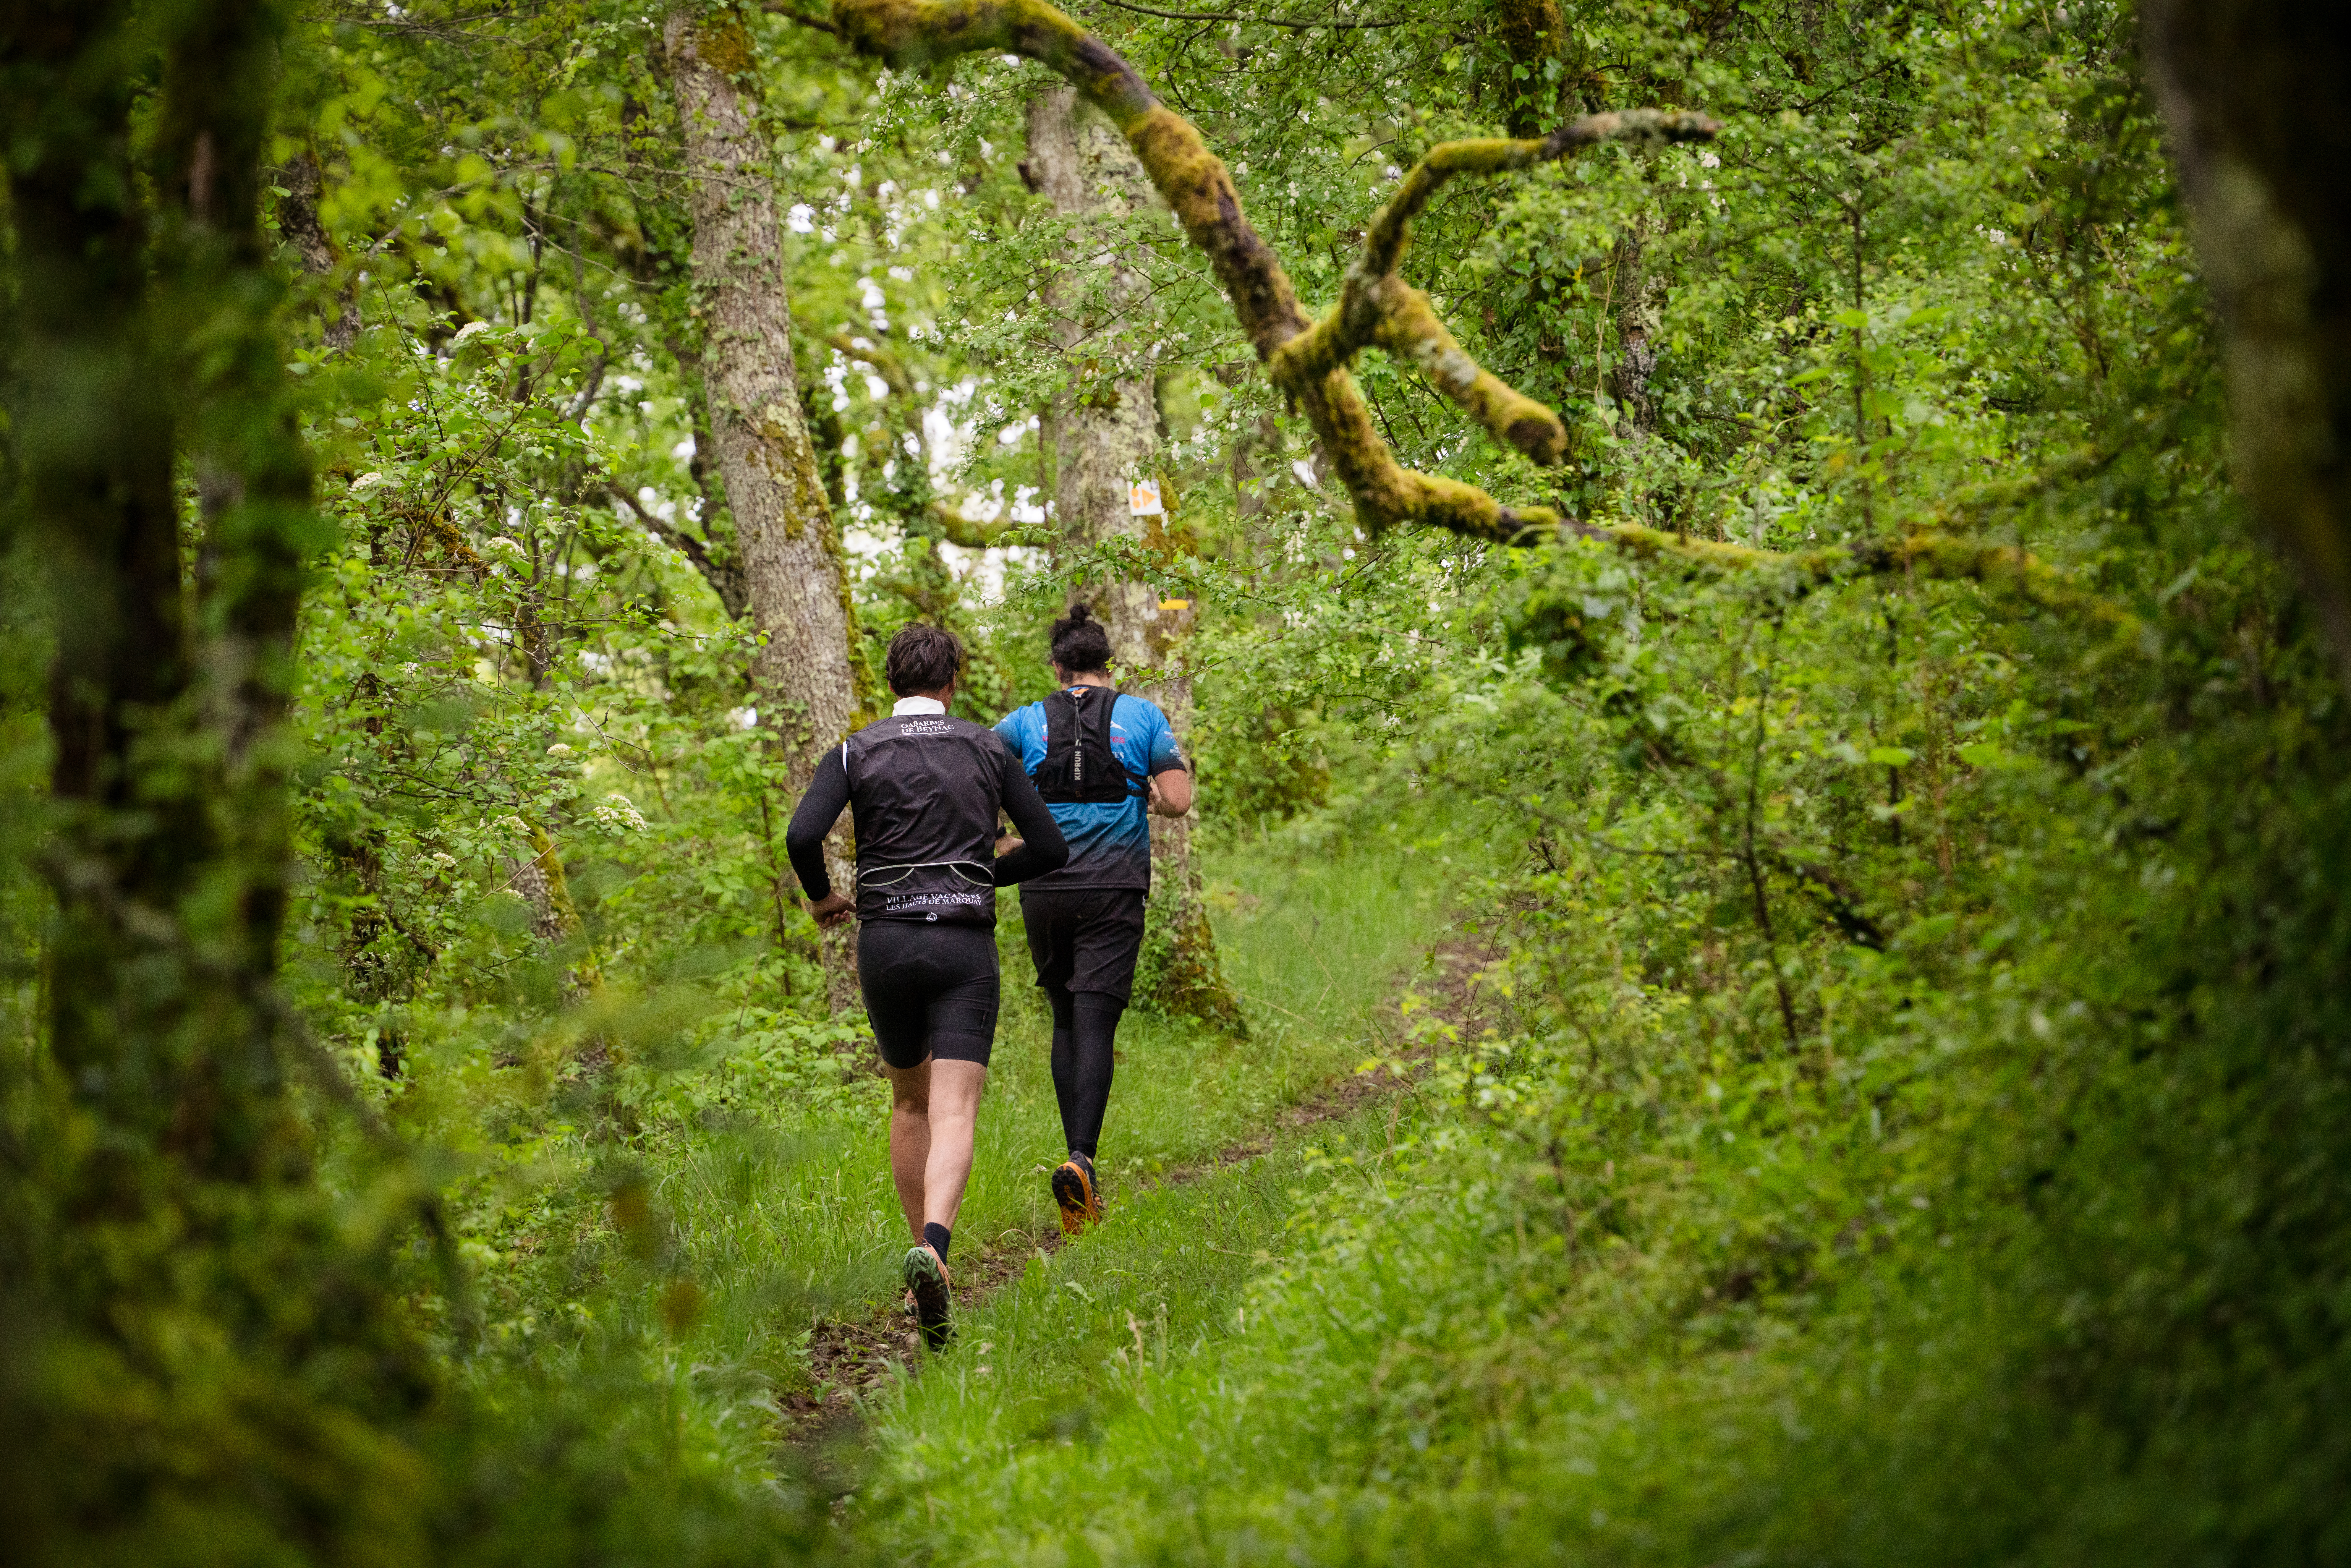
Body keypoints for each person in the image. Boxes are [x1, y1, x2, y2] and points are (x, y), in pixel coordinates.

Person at [785, 623, 1068, 1351]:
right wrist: (981, 877)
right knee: (955, 1108)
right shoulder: (987, 747)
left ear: (891, 682)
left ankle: (922, 1260)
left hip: (886, 944)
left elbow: (801, 835)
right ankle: (937, 1251)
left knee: (908, 1102)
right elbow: (1048, 847)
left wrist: (822, 898)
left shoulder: (855, 749)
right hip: (961, 945)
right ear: (952, 682)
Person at [992, 604, 1193, 1236]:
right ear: (1110, 666)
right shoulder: (1143, 716)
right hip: (1114, 887)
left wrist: (999, 837)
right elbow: (1179, 801)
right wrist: (1155, 801)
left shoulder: (1021, 723)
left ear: (1056, 668)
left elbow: (979, 784)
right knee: (1096, 1020)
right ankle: (1082, 1159)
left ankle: (1075, 1159)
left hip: (1042, 885)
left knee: (1062, 1017)